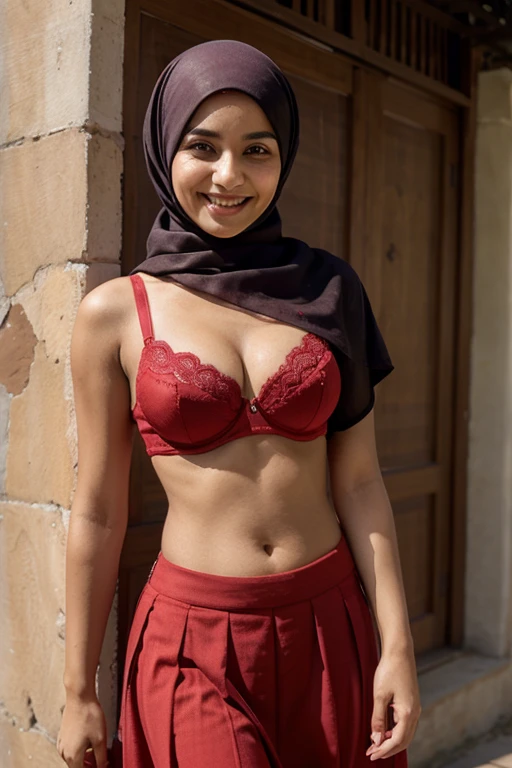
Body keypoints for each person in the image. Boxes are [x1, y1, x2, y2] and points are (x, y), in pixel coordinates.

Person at [57, 39, 420, 768]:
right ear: (167, 151)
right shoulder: (115, 315)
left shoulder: (330, 290)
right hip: (192, 645)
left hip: (329, 627)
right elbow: (98, 509)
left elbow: (358, 482)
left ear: (282, 158)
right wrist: (77, 690)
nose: (230, 176)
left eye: (257, 149)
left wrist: (397, 647)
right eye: (203, 147)